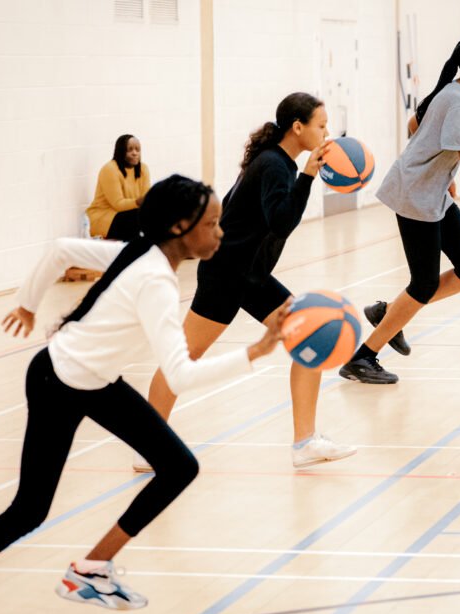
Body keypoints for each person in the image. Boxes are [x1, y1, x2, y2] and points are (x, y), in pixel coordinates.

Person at [0, 175, 287, 614]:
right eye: (213, 223)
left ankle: (92, 568)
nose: (220, 232)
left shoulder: (139, 252)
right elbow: (179, 375)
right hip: (58, 381)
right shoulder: (154, 278)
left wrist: (28, 305)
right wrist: (256, 351)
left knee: (179, 466)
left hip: (93, 380)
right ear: (180, 226)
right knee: (28, 511)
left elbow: (60, 249)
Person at [141, 92, 355, 472]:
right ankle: (150, 447)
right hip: (226, 274)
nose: (326, 133)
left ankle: (305, 442)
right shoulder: (276, 165)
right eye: (321, 126)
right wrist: (307, 176)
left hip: (250, 274)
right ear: (298, 127)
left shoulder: (278, 162)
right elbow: (282, 221)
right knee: (183, 359)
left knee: (311, 335)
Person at [339, 36, 460, 384]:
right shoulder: (457, 101)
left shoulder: (454, 95)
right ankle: (362, 358)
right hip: (415, 195)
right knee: (424, 283)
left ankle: (389, 313)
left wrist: (442, 173)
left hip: (432, 195)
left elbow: (414, 126)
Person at [86, 134, 151, 240]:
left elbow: (147, 199)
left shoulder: (143, 169)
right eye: (130, 150)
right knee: (138, 217)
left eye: (137, 150)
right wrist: (138, 202)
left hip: (128, 215)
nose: (135, 153)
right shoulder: (110, 169)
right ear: (121, 151)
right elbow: (118, 204)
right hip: (104, 218)